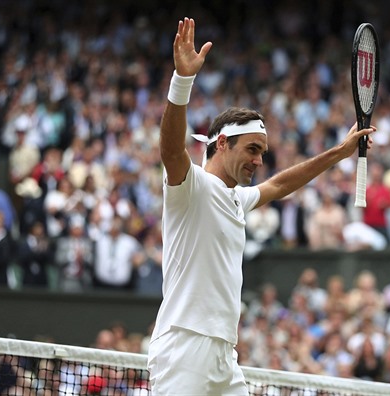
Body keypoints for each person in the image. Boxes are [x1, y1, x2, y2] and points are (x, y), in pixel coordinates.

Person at [147, 17, 376, 395]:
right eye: (252, 149)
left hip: (224, 354)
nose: (258, 160)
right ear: (222, 144)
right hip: (183, 348)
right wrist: (182, 81)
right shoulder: (192, 186)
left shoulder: (237, 198)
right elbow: (171, 150)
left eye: (263, 152)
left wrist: (339, 151)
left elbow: (281, 183)